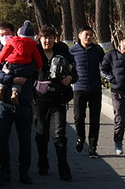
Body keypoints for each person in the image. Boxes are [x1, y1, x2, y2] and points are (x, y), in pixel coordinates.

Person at [0, 21, 37, 186]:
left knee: (25, 139)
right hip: (4, 104)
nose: (4, 37)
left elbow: (34, 66)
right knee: (1, 139)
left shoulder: (26, 47)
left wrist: (20, 74)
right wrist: (13, 79)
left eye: (7, 34)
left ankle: (24, 173)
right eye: (1, 35)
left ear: (14, 34)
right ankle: (5, 172)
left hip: (24, 102)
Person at [33, 24, 76, 181]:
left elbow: (74, 72)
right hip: (40, 101)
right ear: (40, 38)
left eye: (50, 38)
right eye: (44, 38)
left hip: (58, 100)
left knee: (59, 135)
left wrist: (69, 78)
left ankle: (63, 168)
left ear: (54, 39)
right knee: (41, 135)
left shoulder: (62, 52)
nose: (47, 41)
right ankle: (43, 163)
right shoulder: (34, 52)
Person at [70, 28, 106, 158]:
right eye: (86, 35)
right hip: (79, 88)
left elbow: (105, 64)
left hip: (95, 89)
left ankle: (92, 146)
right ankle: (80, 138)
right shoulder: (72, 50)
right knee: (78, 117)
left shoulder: (97, 50)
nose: (88, 37)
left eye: (91, 35)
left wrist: (106, 75)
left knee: (94, 119)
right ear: (79, 35)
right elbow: (68, 67)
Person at [0, 20, 45, 105]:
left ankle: (0, 89)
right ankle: (15, 93)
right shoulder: (33, 45)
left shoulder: (13, 41)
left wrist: (1, 59)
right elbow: (37, 57)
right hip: (23, 66)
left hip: (11, 64)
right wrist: (39, 66)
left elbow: (5, 51)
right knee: (20, 80)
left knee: (5, 73)